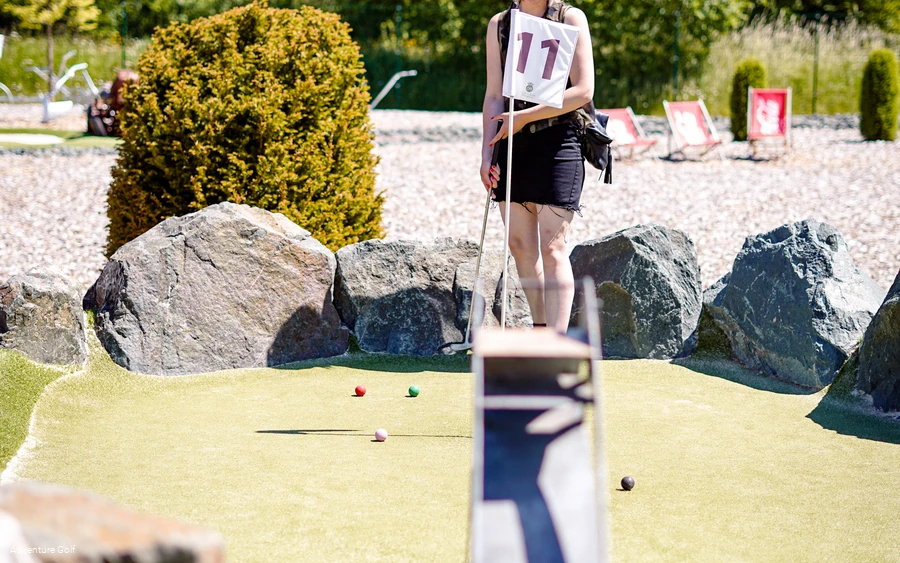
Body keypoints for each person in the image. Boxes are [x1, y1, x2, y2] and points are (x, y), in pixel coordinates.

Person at [480, 0, 594, 333]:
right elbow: (493, 95)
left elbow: (584, 90)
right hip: (511, 143)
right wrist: (486, 154)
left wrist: (525, 117)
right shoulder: (500, 24)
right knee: (520, 246)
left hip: (559, 142)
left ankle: (556, 344)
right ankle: (541, 330)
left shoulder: (570, 17)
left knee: (553, 246)